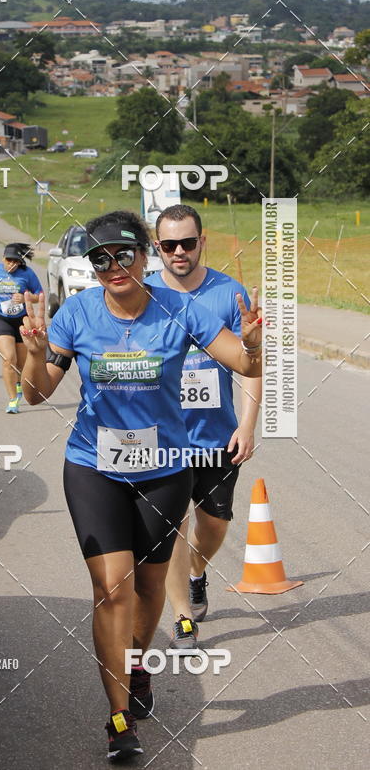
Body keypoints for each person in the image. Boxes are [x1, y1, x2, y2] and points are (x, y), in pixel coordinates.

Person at [20, 211, 262, 762]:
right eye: (99, 259)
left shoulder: (179, 308)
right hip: (93, 467)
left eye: (122, 254)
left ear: (143, 257)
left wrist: (253, 345)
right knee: (112, 590)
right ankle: (118, 718)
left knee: (151, 591)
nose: (112, 267)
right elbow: (36, 394)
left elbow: (245, 363)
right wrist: (33, 353)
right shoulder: (77, 312)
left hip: (166, 469)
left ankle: (136, 665)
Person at [152, 205, 262, 635]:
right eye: (169, 244)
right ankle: (183, 616)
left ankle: (196, 571)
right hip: (164, 439)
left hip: (218, 436)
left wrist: (247, 426)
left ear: (202, 242)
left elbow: (252, 365)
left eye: (188, 242)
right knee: (174, 525)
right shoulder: (144, 294)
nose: (179, 251)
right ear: (157, 247)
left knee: (214, 525)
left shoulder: (227, 292)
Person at [0, 243, 43, 413]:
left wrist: (25, 298)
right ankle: (13, 400)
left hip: (21, 320)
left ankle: (18, 384)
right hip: (1, 319)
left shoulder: (27, 274)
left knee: (21, 363)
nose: (12, 264)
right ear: (3, 258)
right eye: (9, 260)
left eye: (16, 261)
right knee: (9, 358)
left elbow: (39, 295)